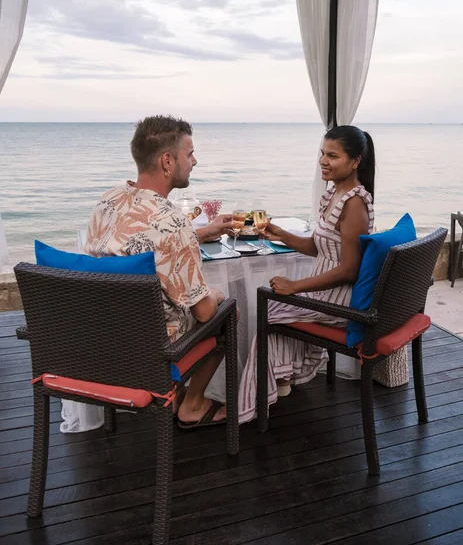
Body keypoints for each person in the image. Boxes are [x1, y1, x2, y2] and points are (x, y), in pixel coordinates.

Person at [85, 115, 234, 428]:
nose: (195, 161)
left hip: (101, 335)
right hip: (152, 350)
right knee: (225, 312)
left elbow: (140, 244)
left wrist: (200, 233)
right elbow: (205, 313)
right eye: (189, 154)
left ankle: (178, 396)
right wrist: (216, 294)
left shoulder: (108, 200)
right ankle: (191, 404)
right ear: (168, 161)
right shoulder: (174, 223)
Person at [238, 125, 375, 423]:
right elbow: (318, 247)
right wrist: (278, 232)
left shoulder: (354, 204)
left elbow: (350, 270)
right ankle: (281, 380)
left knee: (267, 309)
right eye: (322, 154)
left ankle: (252, 403)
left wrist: (296, 286)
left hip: (340, 300)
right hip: (324, 290)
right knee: (273, 303)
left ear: (355, 161)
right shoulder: (334, 194)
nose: (323, 161)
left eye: (333, 156)